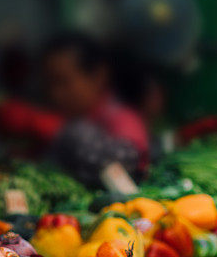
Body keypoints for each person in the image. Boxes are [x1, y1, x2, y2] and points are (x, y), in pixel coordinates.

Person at [42, 32, 149, 183]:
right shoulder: (77, 117)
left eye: (63, 82)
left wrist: (57, 130)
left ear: (99, 75)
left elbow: (128, 163)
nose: (55, 94)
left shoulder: (122, 119)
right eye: (49, 84)